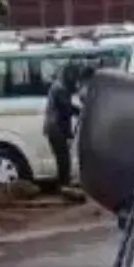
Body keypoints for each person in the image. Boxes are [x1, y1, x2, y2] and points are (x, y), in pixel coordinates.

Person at [43, 61, 82, 192]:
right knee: (63, 159)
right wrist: (82, 112)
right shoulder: (60, 89)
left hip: (55, 128)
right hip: (55, 129)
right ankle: (63, 185)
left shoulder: (59, 86)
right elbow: (67, 109)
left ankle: (64, 183)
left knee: (63, 158)